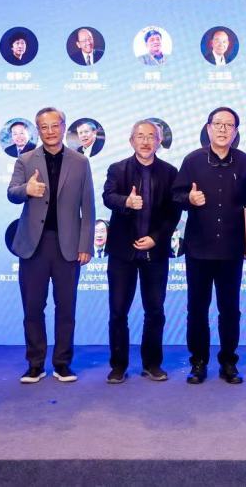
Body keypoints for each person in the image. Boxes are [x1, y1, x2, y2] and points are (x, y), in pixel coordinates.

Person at [172, 107, 246, 385]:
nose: (223, 129)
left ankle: (228, 363)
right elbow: (176, 196)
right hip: (199, 249)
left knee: (230, 309)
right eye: (218, 124)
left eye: (229, 125)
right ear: (208, 128)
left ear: (235, 132)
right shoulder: (192, 160)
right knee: (197, 309)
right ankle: (198, 363)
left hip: (232, 249)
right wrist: (189, 199)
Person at [7, 106, 95, 384]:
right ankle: (35, 364)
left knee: (66, 308)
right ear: (38, 130)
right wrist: (27, 190)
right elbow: (12, 193)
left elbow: (88, 207)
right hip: (34, 246)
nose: (50, 131)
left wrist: (86, 244)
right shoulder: (25, 160)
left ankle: (62, 364)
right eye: (44, 127)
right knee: (33, 308)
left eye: (55, 125)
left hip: (67, 246)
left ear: (63, 127)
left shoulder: (80, 162)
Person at [102, 120, 182, 383]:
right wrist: (126, 201)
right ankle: (118, 365)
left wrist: (156, 239)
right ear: (131, 141)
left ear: (159, 142)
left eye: (151, 137)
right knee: (118, 311)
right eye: (140, 136)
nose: (146, 141)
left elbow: (174, 212)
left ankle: (152, 364)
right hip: (122, 253)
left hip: (154, 253)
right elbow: (108, 197)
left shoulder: (170, 172)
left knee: (155, 310)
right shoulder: (118, 169)